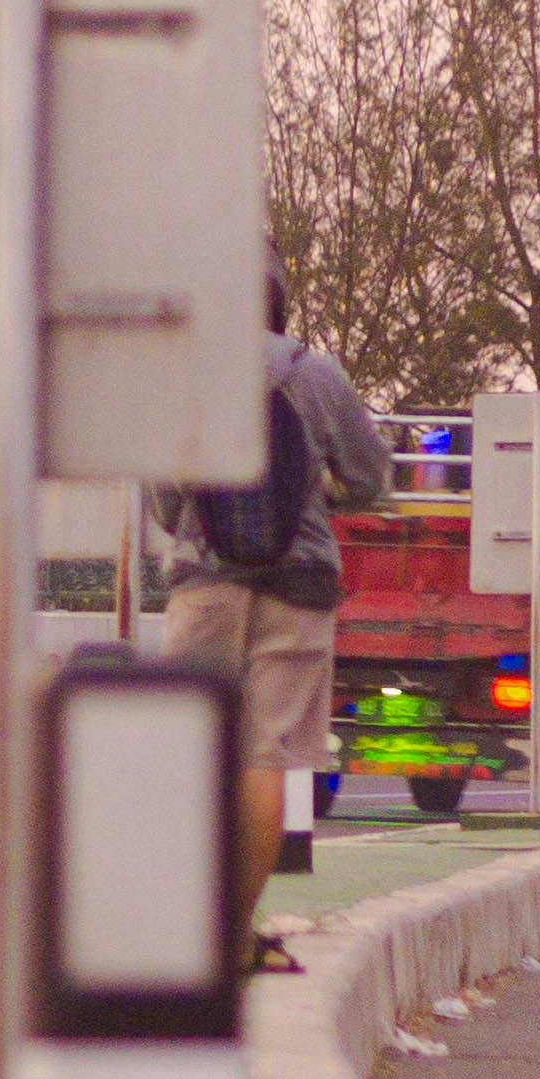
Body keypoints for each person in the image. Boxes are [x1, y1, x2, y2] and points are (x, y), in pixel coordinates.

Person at [154, 258, 390, 966]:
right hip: (299, 584)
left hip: (205, 584)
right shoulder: (317, 375)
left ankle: (186, 926)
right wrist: (323, 495)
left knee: (194, 751)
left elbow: (166, 502)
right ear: (282, 305)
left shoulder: (187, 378)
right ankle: (234, 935)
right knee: (268, 756)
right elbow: (372, 476)